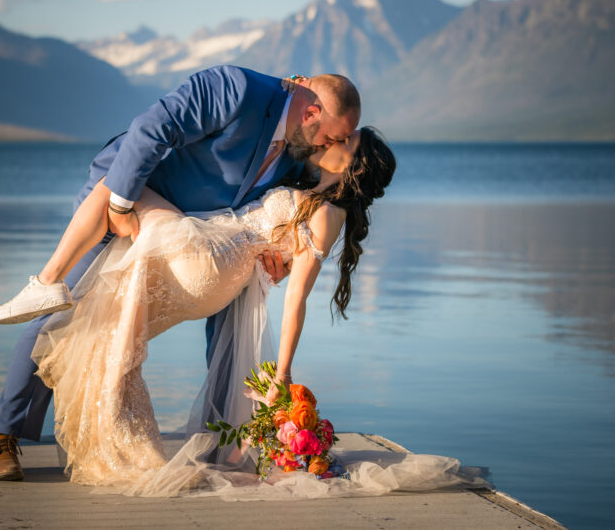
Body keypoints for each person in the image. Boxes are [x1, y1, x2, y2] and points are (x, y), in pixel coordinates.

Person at [0, 66, 360, 481]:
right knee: (62, 312)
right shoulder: (236, 88)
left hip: (202, 238)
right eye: (335, 134)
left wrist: (281, 261)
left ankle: (221, 444)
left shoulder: (299, 152)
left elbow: (283, 214)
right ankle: (4, 435)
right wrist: (121, 205)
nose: (335, 143)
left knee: (236, 320)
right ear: (310, 113)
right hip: (132, 200)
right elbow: (153, 128)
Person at [30, 126, 396, 494]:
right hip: (214, 262)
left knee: (118, 182)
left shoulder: (329, 213)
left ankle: (47, 281)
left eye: (345, 140)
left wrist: (282, 374)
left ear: (354, 165)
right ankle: (121, 438)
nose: (333, 138)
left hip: (211, 256)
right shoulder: (315, 193)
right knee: (112, 327)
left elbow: (296, 299)